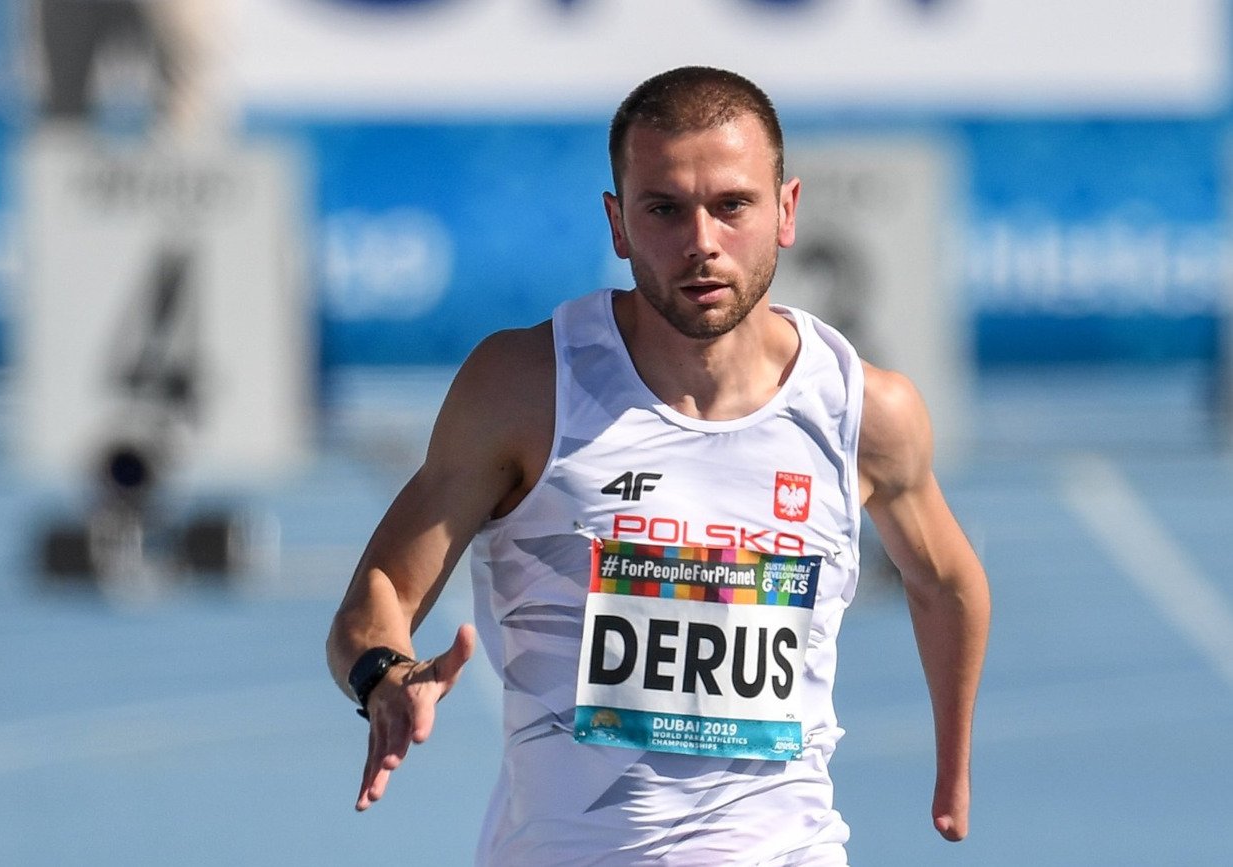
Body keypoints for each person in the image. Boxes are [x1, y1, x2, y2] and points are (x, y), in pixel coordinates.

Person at [327, 65, 991, 866]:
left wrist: (954, 769)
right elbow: (381, 590)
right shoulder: (527, 390)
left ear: (786, 211)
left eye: (732, 205)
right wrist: (385, 673)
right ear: (618, 223)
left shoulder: (863, 410)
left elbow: (947, 581)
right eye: (665, 209)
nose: (702, 242)